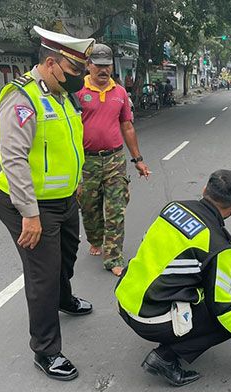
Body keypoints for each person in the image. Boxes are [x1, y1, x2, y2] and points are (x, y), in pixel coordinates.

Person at [0, 26, 95, 381]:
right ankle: (46, 351)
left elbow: (69, 143)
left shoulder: (61, 96)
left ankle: (64, 299)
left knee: (68, 254)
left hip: (64, 198)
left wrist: (77, 181)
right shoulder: (21, 99)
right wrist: (30, 215)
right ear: (51, 63)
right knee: (43, 276)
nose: (79, 80)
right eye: (73, 72)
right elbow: (15, 159)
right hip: (28, 204)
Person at [115, 170, 231, 386]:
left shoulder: (173, 208)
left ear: (204, 190)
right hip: (150, 319)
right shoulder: (217, 247)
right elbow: (222, 310)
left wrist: (220, 251)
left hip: (125, 300)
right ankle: (164, 358)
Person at [76, 44, 151, 276]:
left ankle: (113, 257)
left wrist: (137, 159)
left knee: (116, 208)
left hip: (114, 159)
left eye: (106, 65)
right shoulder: (76, 91)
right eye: (97, 65)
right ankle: (96, 238)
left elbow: (127, 127)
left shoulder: (120, 92)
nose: (102, 69)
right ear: (88, 65)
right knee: (88, 206)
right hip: (85, 161)